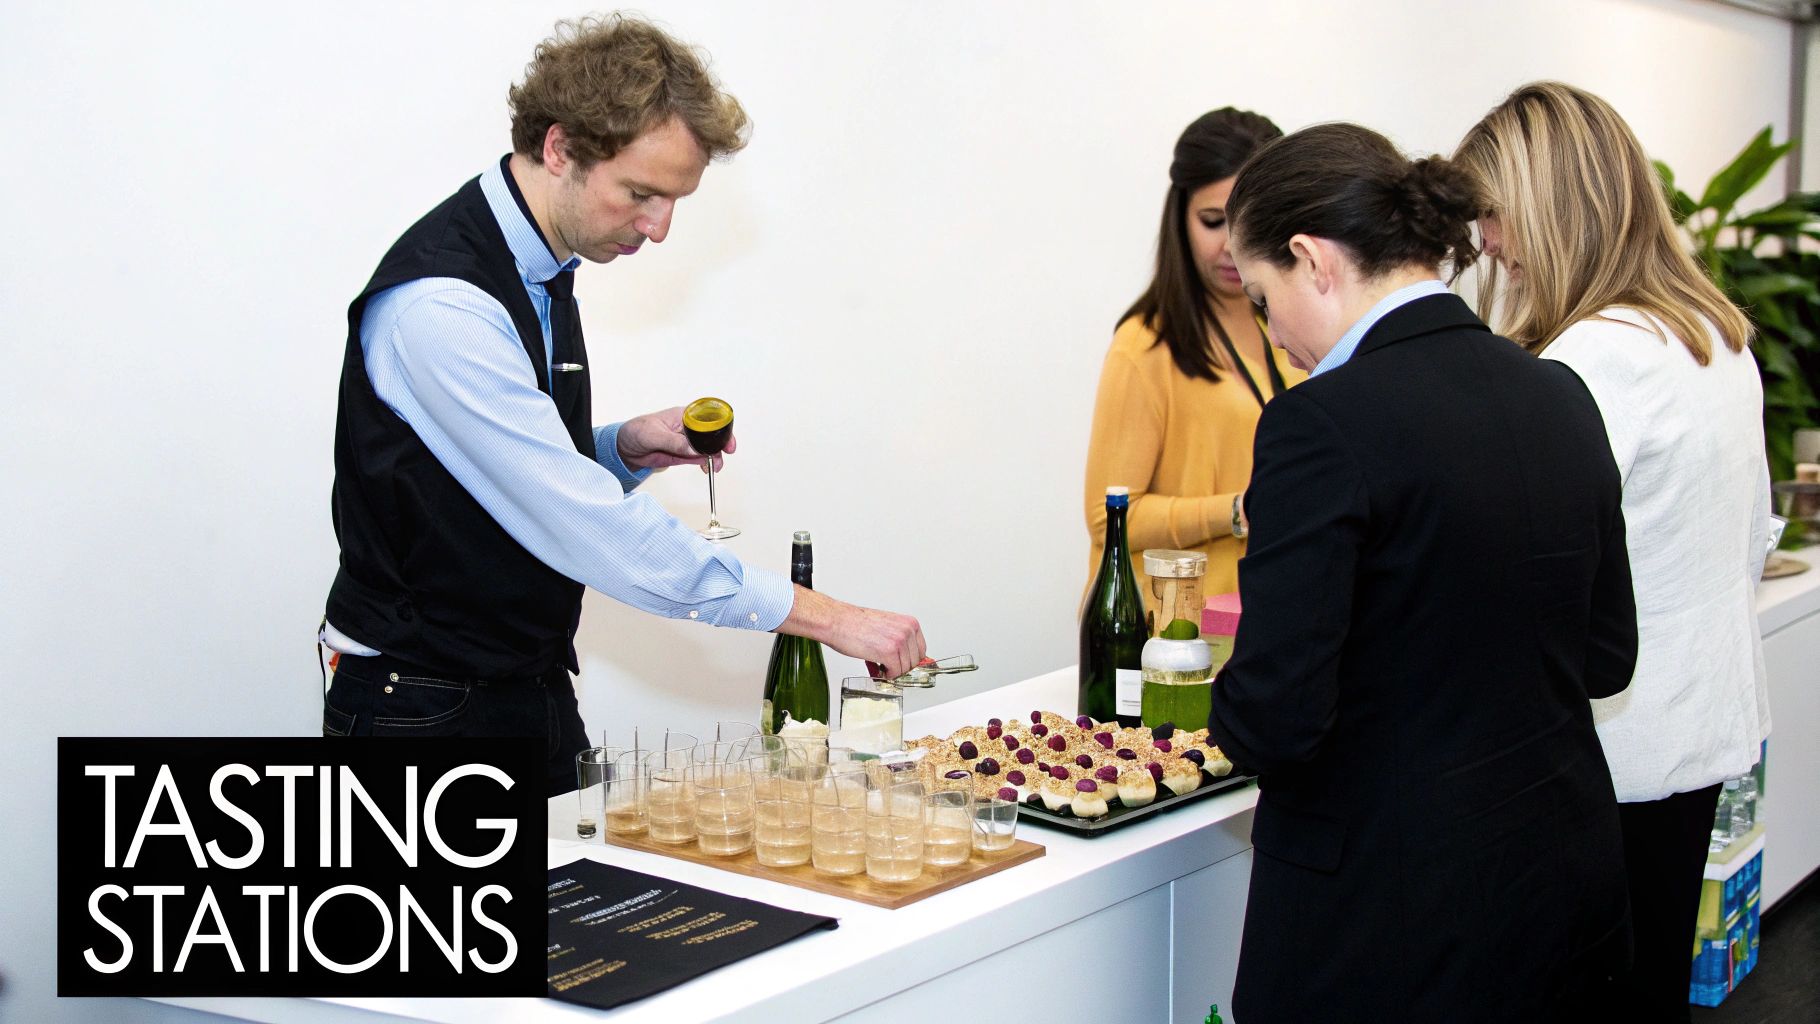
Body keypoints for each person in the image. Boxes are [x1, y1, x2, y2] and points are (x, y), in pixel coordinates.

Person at [320, 14, 925, 797]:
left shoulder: (539, 262)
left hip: (524, 688)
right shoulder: (441, 310)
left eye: (675, 200)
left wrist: (622, 449)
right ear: (560, 148)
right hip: (425, 709)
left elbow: (496, 473)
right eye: (641, 194)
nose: (659, 228)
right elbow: (591, 527)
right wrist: (827, 617)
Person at [1206, 123, 1636, 1022]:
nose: (1269, 332)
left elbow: (1275, 720)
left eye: (1261, 296)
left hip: (1387, 923)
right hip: (1560, 888)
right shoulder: (1560, 392)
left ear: (1310, 259)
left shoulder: (1317, 425)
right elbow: (1606, 658)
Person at [1453, 81, 1773, 1021]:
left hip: (1612, 756)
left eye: (1494, 217)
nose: (1490, 245)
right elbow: (1752, 536)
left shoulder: (1589, 362)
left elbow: (1537, 583)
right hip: (1698, 726)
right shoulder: (1714, 334)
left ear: (1548, 210)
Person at [1083, 108, 1303, 604]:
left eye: (1252, 222)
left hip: (1261, 617)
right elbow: (1108, 516)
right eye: (1212, 221)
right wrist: (1235, 511)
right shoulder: (1145, 344)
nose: (1233, 245)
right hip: (1170, 637)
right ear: (1179, 218)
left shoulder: (1291, 327)